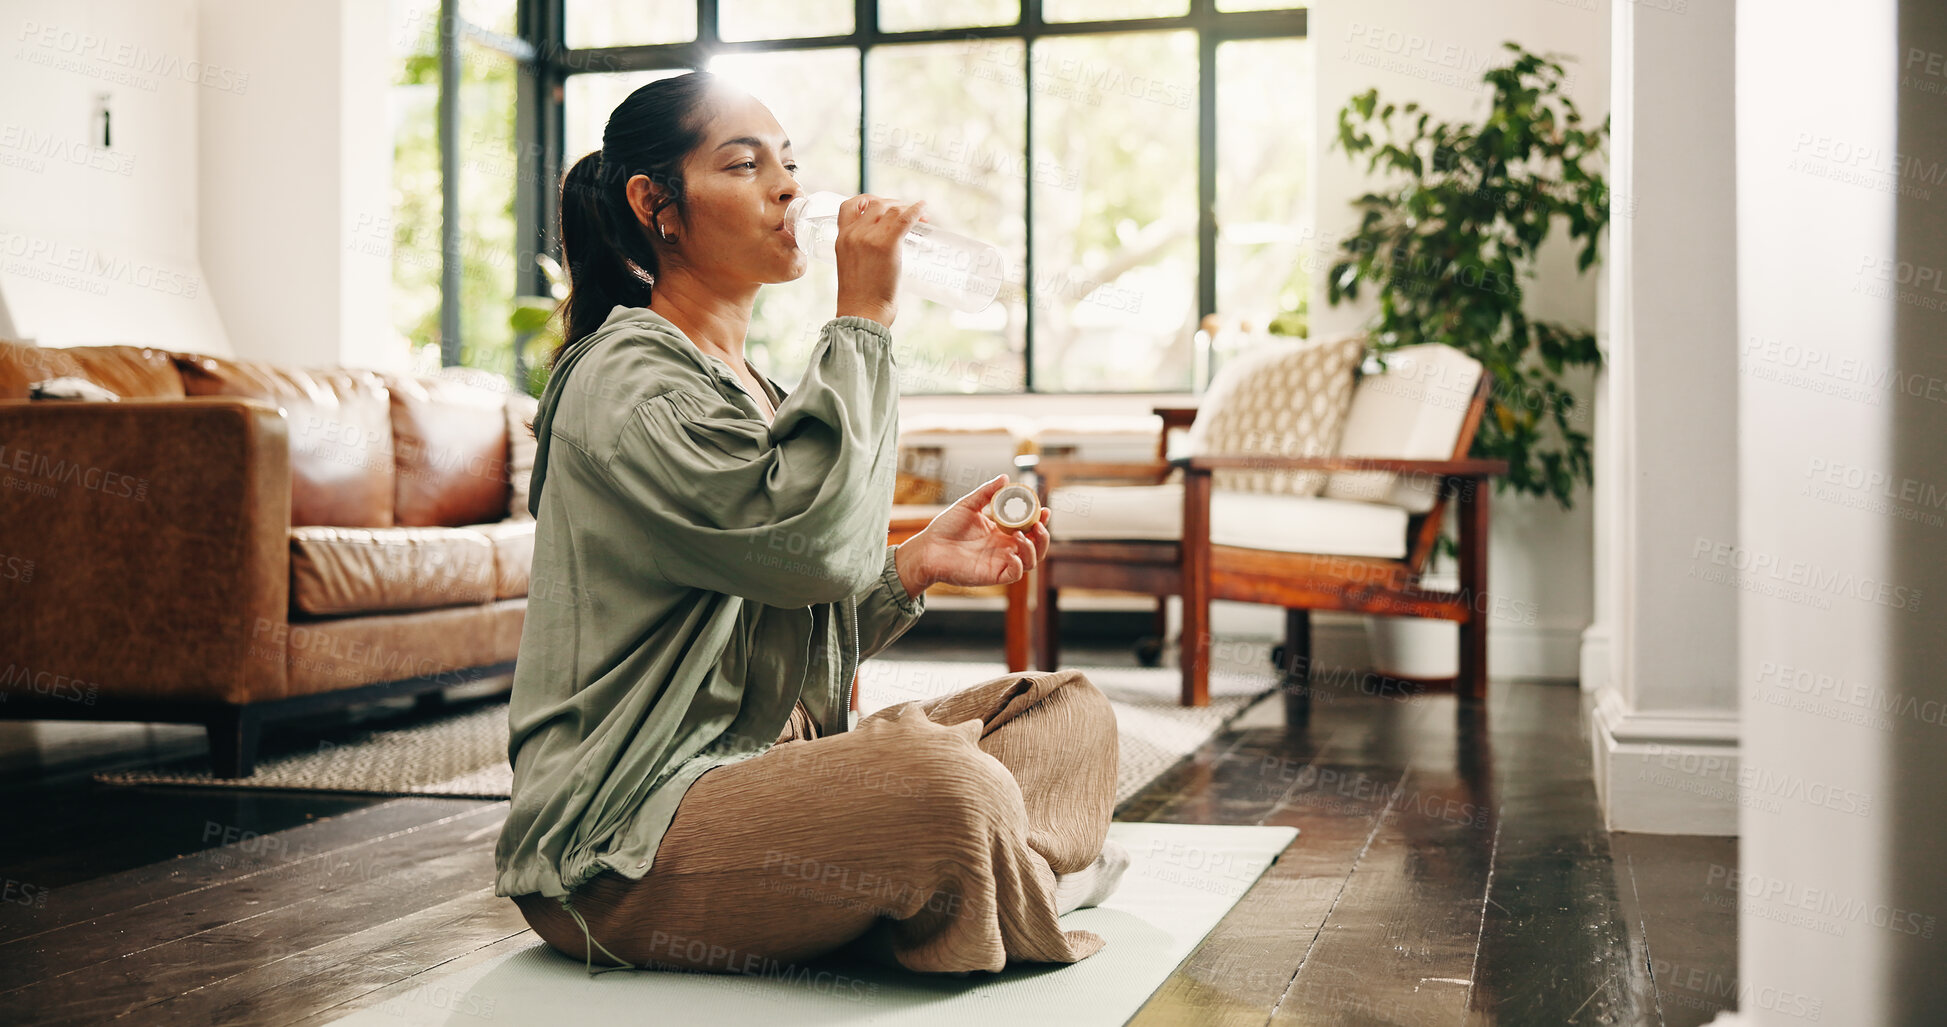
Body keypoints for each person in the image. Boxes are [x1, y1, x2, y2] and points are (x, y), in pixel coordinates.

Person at [491, 70, 1130, 979]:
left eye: (788, 163)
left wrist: (911, 565)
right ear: (656, 205)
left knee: (1066, 712)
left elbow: (778, 615)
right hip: (624, 838)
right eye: (746, 164)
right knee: (946, 787)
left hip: (767, 772)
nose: (788, 187)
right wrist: (863, 310)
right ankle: (985, 876)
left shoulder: (751, 386)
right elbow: (817, 551)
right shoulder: (624, 378)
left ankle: (948, 883)